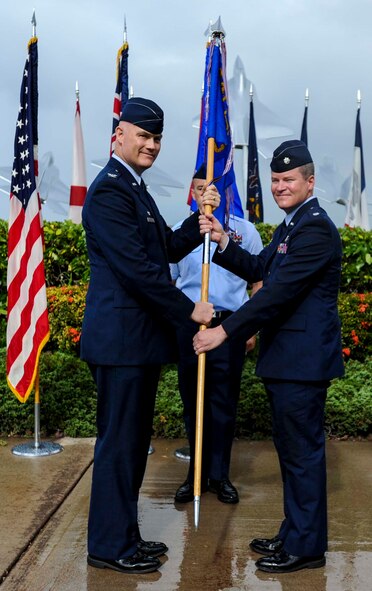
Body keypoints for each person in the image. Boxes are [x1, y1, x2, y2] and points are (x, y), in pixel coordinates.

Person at [80, 97, 219, 575]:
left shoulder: (135, 189)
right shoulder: (109, 192)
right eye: (143, 135)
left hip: (135, 343)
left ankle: (125, 537)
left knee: (132, 444)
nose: (151, 144)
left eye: (157, 138)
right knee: (119, 445)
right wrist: (189, 310)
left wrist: (196, 220)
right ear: (118, 134)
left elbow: (160, 249)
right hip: (120, 344)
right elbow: (139, 272)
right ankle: (107, 545)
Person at [193, 140, 344, 574]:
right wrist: (222, 242)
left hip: (301, 363)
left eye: (288, 179)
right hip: (289, 361)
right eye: (275, 180)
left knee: (302, 454)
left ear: (309, 182)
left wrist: (225, 329)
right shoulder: (292, 225)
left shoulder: (314, 229)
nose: (280, 186)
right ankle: (294, 531)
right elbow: (262, 267)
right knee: (292, 452)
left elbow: (276, 295)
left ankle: (307, 547)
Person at [172, 164, 263, 504]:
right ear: (192, 193)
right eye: (198, 189)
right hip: (191, 329)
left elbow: (258, 281)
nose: (205, 195)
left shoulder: (244, 232)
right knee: (192, 404)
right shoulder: (180, 233)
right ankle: (194, 474)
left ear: (225, 192)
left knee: (223, 406)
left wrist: (249, 327)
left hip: (229, 329)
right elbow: (169, 281)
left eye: (211, 188)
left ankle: (219, 475)